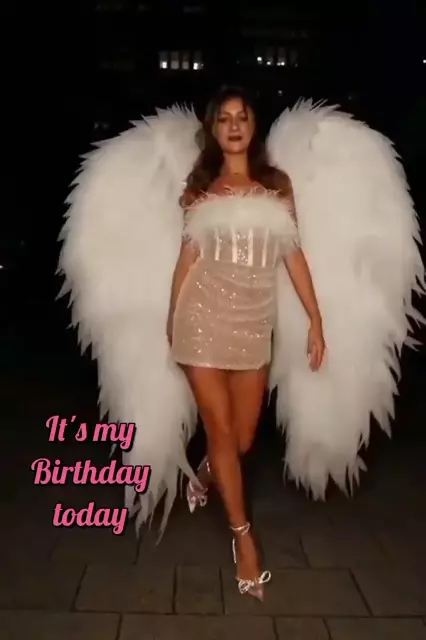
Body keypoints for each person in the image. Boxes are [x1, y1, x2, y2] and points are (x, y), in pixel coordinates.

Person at [166, 86, 326, 600]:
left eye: (242, 117)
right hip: (201, 322)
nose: (234, 125)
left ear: (253, 126)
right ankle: (244, 540)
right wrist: (172, 317)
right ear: (214, 130)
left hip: (255, 324)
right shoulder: (200, 190)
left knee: (241, 439)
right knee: (219, 428)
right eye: (224, 119)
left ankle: (208, 469)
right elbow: (187, 260)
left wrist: (316, 318)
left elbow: (293, 254)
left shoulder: (277, 186)